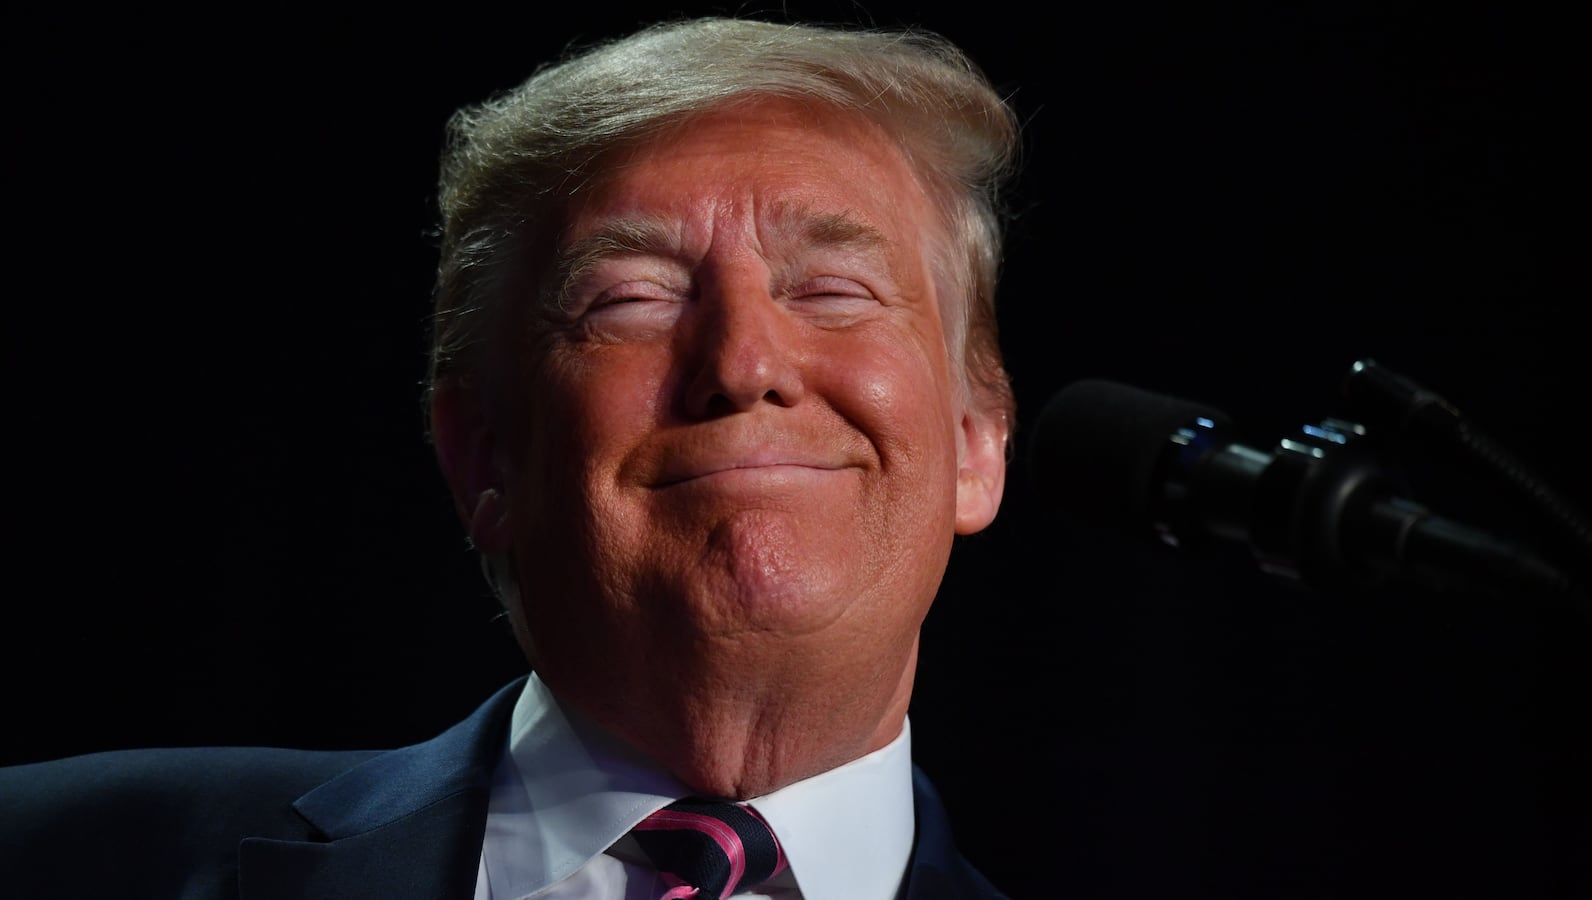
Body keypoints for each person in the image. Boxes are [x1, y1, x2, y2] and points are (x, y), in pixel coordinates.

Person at [1, 15, 1019, 899]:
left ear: (978, 440)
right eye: (632, 297)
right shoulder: (50, 857)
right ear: (482, 455)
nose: (744, 363)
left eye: (833, 290)